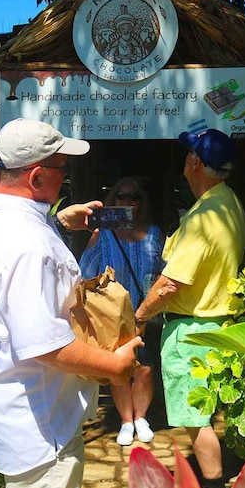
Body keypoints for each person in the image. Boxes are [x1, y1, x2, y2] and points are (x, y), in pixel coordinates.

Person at [0, 118, 142, 488]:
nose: (66, 177)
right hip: (45, 440)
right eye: (62, 168)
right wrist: (115, 366)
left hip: (16, 421)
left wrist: (58, 222)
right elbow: (47, 346)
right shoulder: (28, 244)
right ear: (37, 177)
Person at [134, 128, 245, 488]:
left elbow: (170, 284)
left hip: (190, 330)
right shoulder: (229, 202)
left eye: (188, 155)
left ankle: (211, 487)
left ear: (195, 162)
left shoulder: (203, 217)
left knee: (196, 421)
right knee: (208, 415)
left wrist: (139, 317)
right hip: (217, 324)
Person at [79, 176, 165, 446]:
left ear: (142, 202)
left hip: (147, 310)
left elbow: (166, 272)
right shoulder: (103, 234)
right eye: (121, 197)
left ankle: (141, 417)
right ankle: (126, 421)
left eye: (133, 197)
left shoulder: (154, 234)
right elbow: (84, 272)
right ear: (113, 199)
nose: (127, 202)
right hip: (114, 314)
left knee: (146, 369)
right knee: (119, 369)